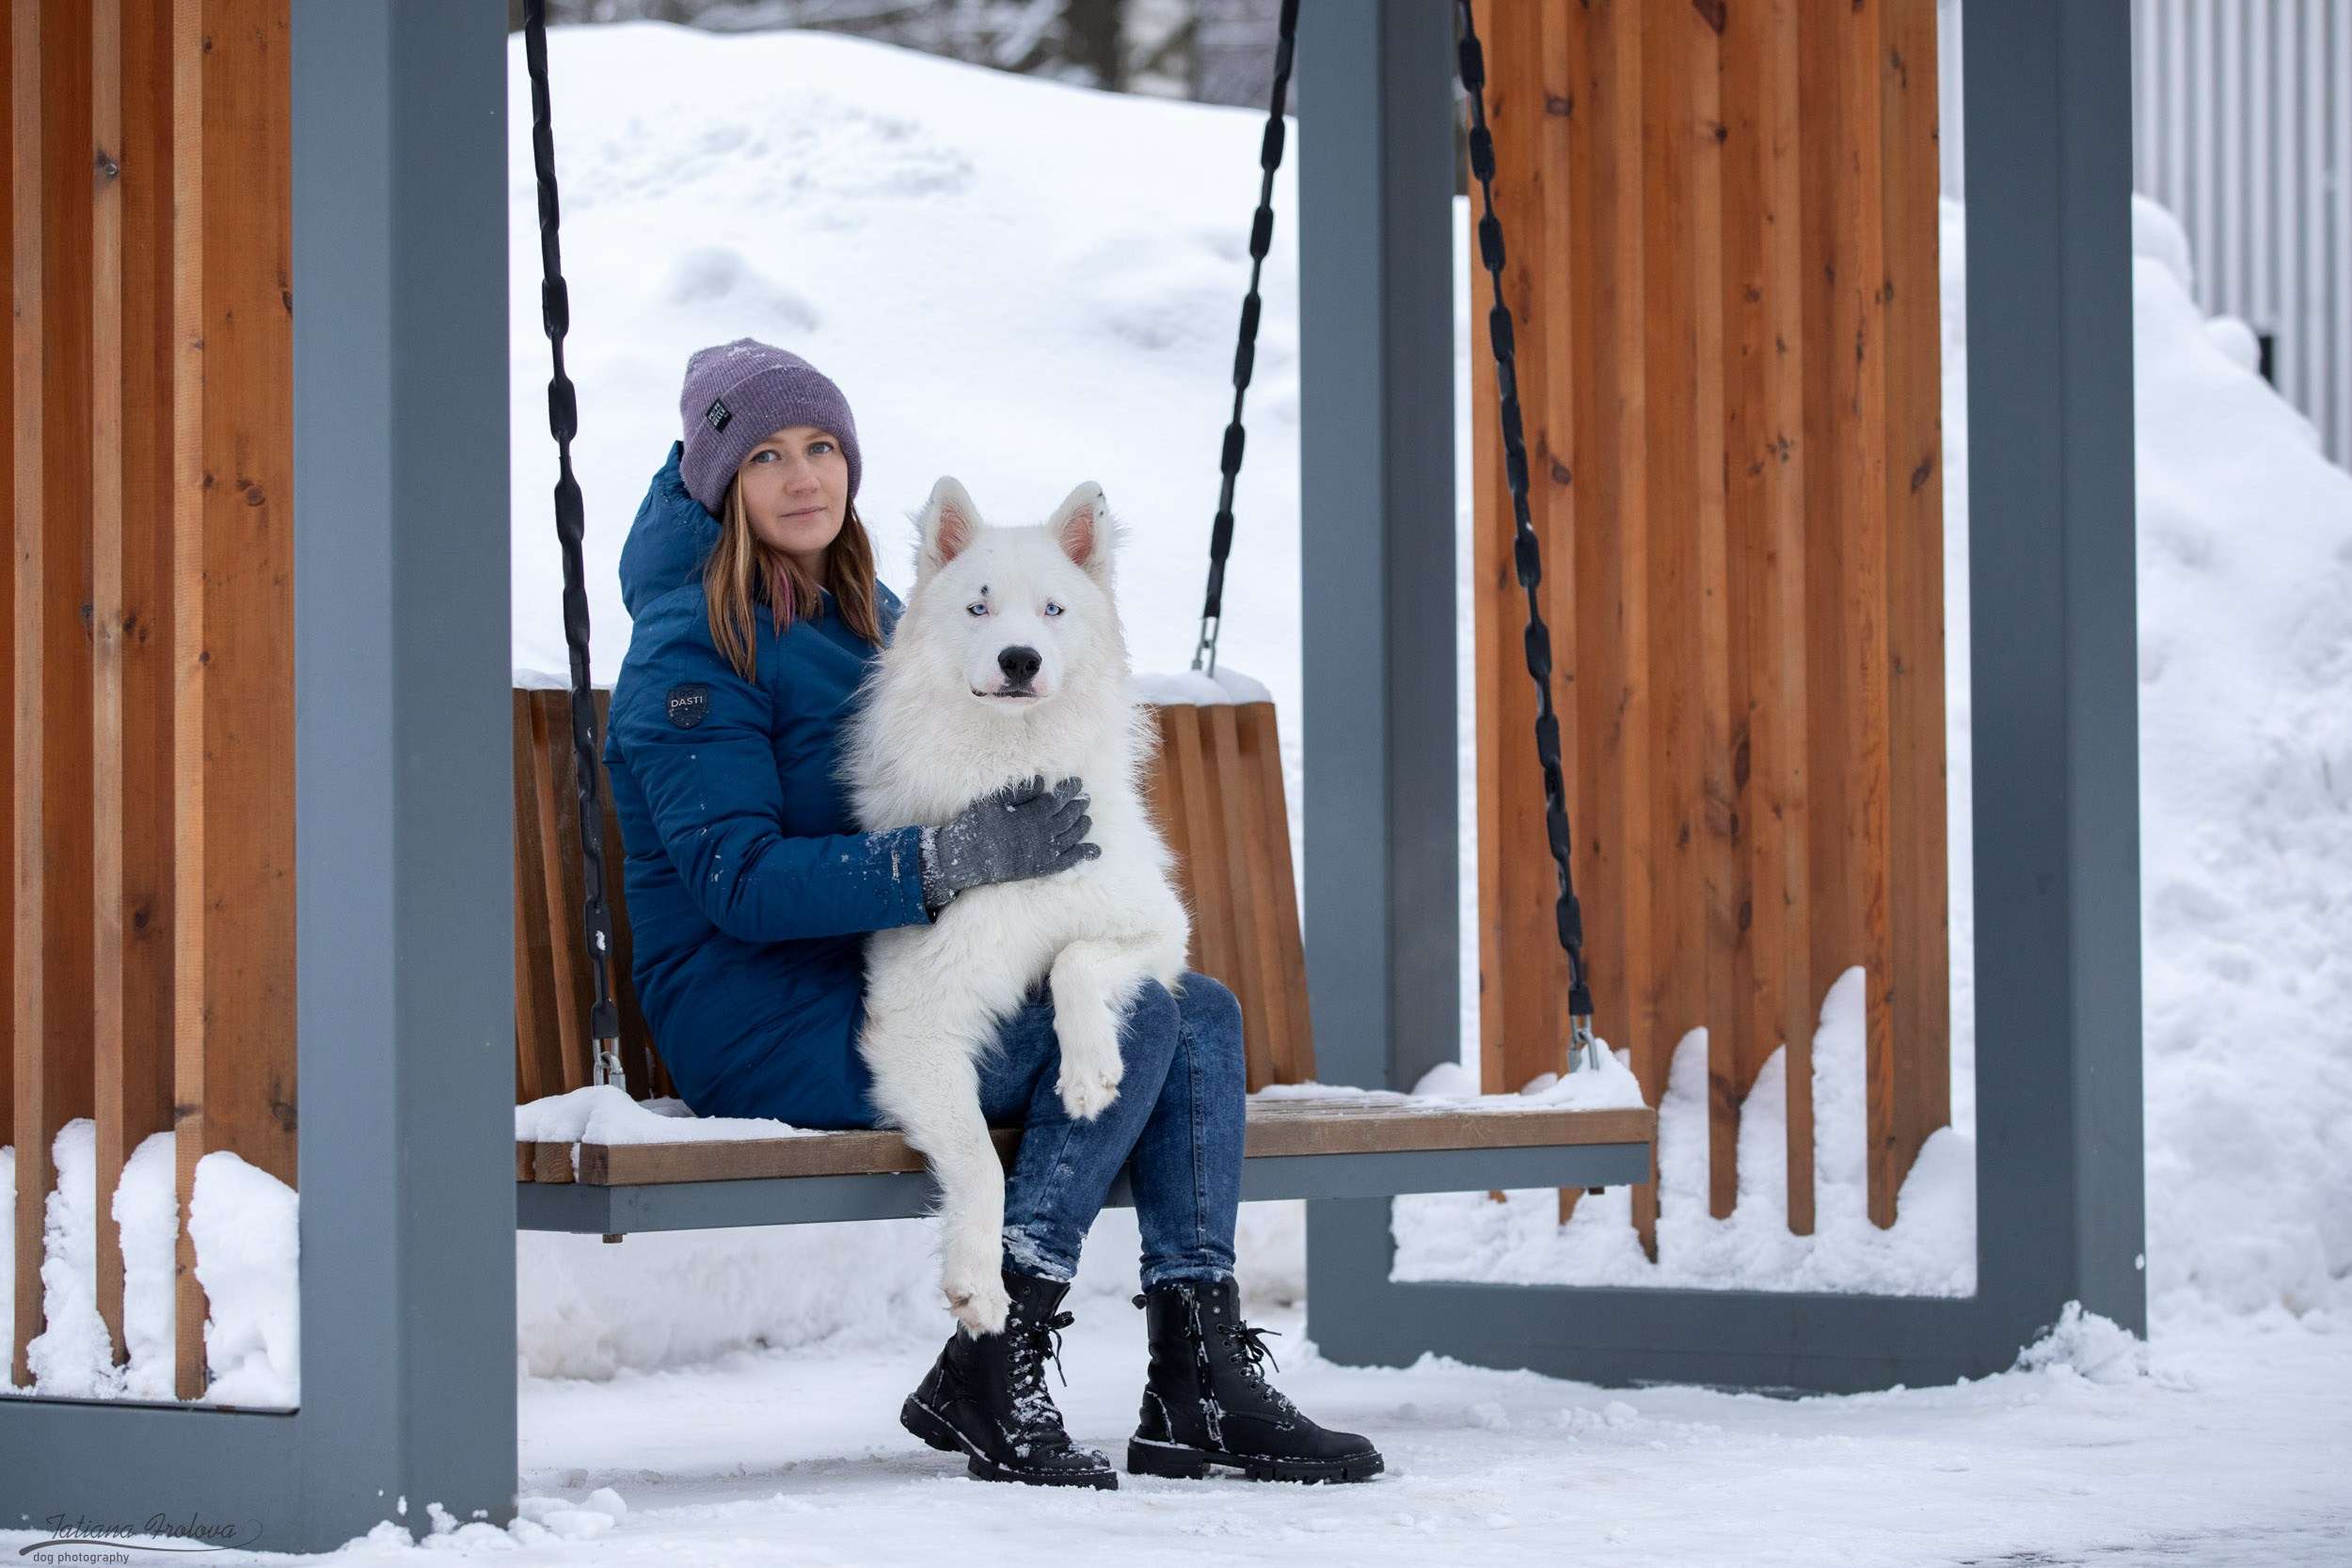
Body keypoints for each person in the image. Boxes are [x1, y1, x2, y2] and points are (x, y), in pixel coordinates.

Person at [601, 339, 1382, 1489]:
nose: (803, 476)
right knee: (1152, 1020)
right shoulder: (689, 642)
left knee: (1188, 1005)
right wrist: (945, 857)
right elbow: (740, 881)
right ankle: (996, 1349)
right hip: (761, 1011)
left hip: (892, 961)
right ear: (720, 480)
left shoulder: (868, 608)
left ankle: (1197, 1376)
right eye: (765, 455)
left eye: (821, 446)